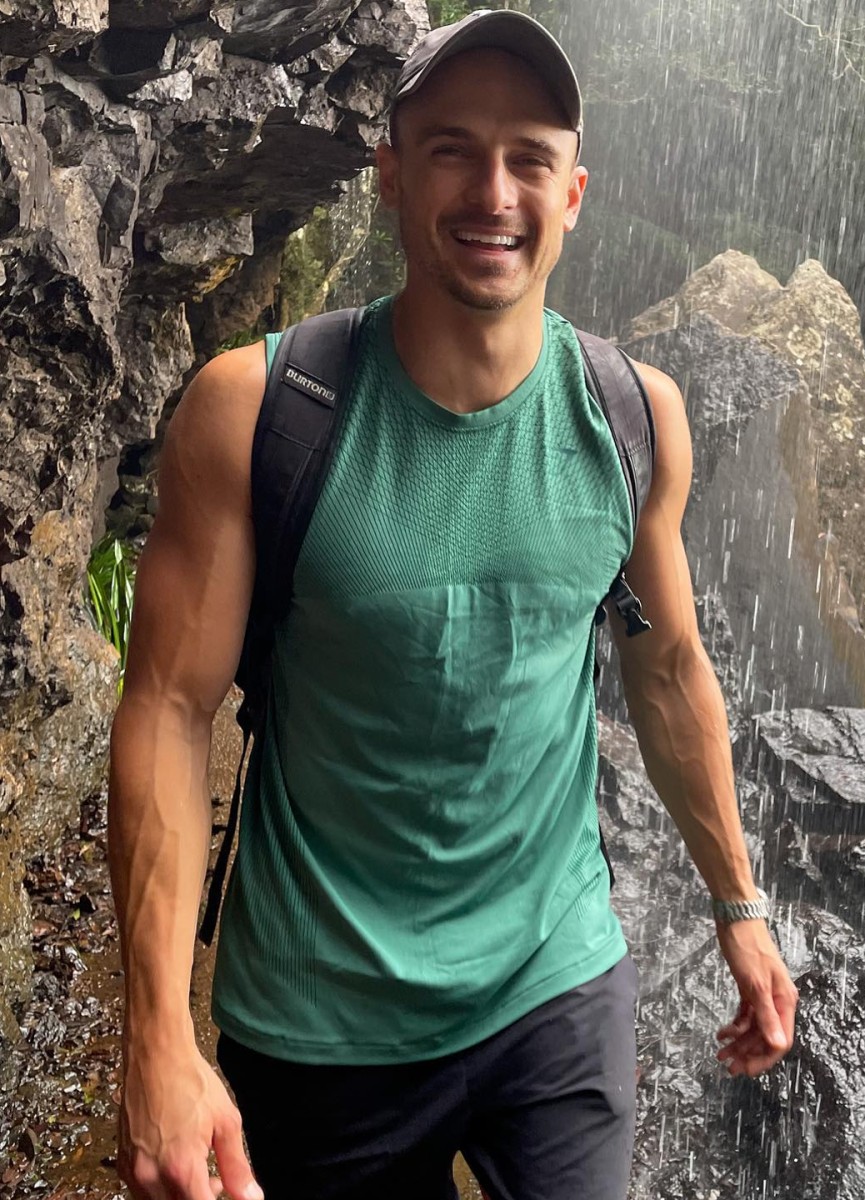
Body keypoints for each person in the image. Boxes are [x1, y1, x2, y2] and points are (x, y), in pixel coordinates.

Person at [107, 10, 798, 1200]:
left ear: (573, 192)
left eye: (530, 157)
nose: (495, 191)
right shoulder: (260, 412)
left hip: (555, 987)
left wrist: (739, 904)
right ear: (388, 174)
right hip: (321, 1016)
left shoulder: (634, 422)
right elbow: (168, 708)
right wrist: (157, 1035)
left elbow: (669, 668)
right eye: (452, 151)